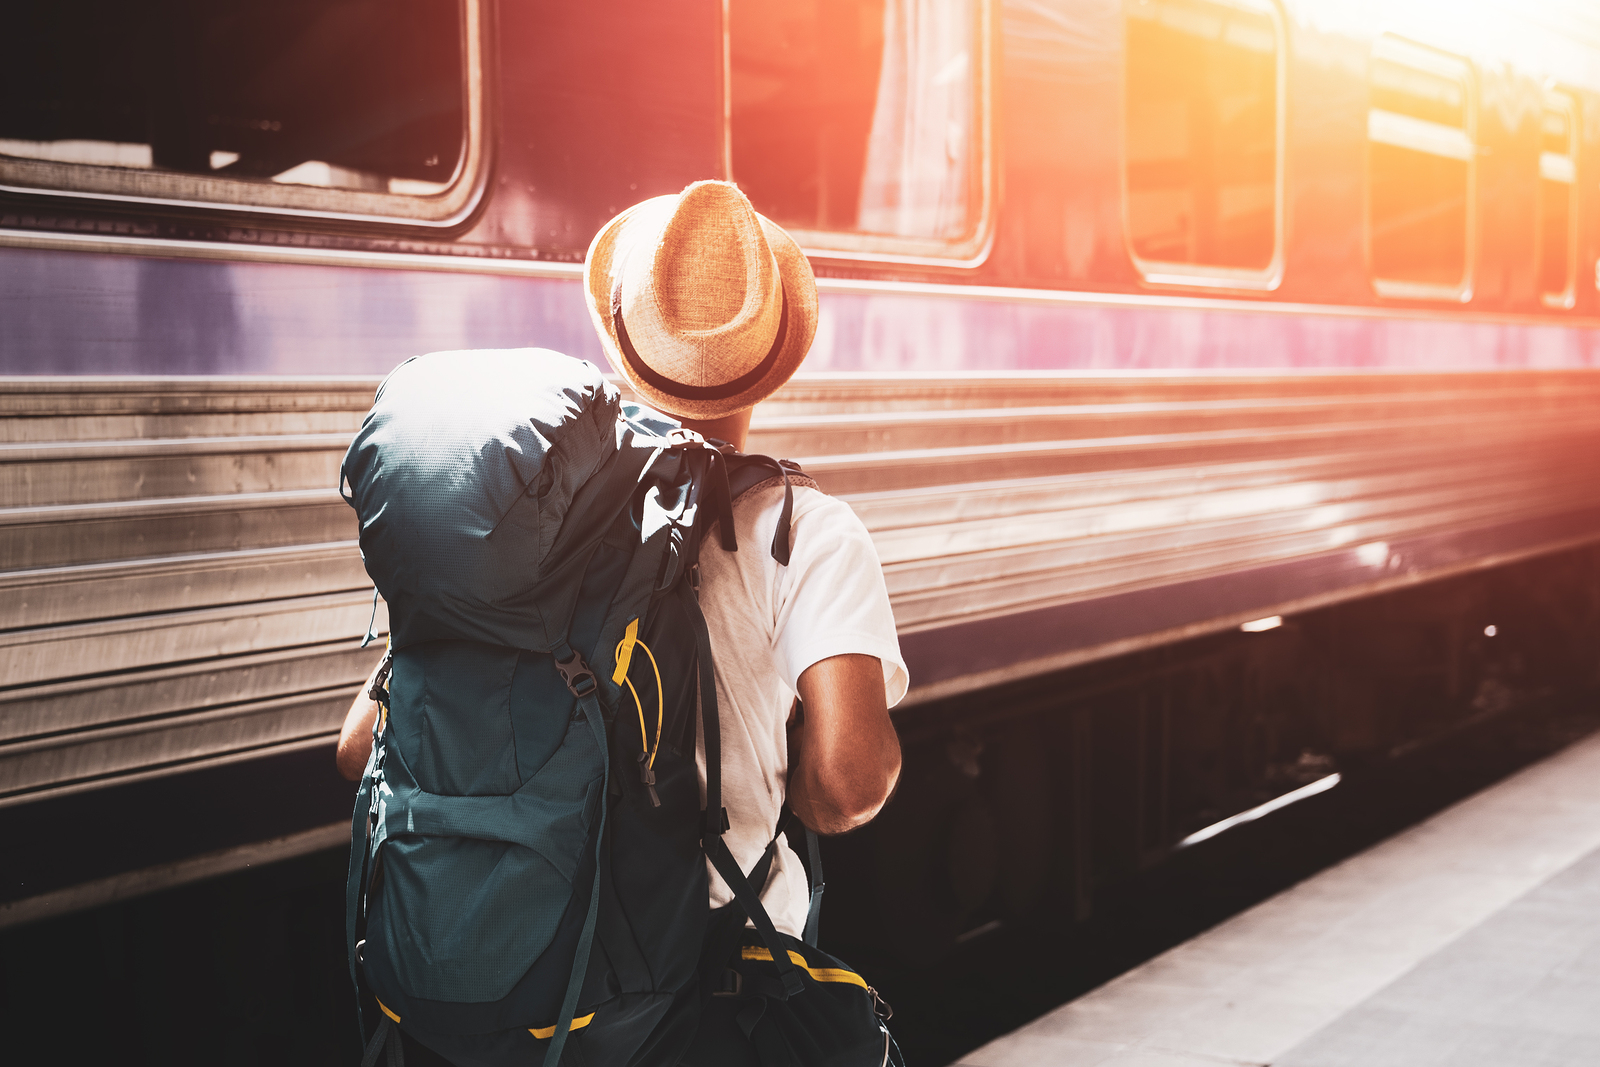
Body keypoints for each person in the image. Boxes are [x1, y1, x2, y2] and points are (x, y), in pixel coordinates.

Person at [337, 177, 903, 1002]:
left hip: (526, 972)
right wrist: (785, 782)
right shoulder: (806, 531)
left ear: (624, 346)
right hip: (710, 985)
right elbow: (851, 781)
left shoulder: (531, 510)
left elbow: (359, 749)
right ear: (772, 365)